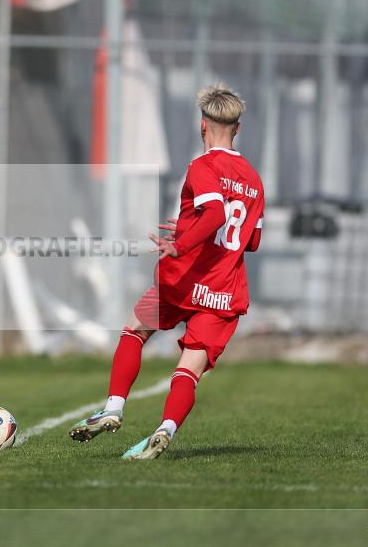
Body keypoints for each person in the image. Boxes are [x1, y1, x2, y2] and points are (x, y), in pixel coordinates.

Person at [69, 84, 265, 460]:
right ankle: (164, 430)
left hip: (184, 277)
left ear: (202, 125)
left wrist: (182, 243)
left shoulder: (202, 165)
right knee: (190, 368)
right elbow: (249, 240)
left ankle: (113, 408)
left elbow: (216, 214)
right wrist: (191, 232)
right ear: (237, 129)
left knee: (135, 330)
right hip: (223, 288)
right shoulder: (253, 179)